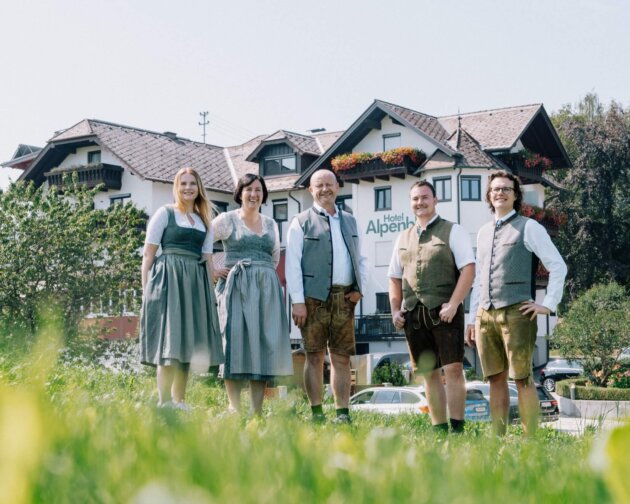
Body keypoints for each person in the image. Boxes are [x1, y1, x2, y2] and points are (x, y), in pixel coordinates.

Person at [466, 170, 567, 436]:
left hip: (518, 314)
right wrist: (472, 318)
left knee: (522, 379)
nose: (500, 193)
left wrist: (547, 304)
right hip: (485, 315)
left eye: (506, 189)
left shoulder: (529, 226)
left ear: (515, 195)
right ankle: (498, 438)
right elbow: (479, 278)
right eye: (495, 189)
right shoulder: (483, 232)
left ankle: (530, 441)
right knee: (495, 380)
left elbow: (558, 266)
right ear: (489, 195)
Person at [388, 180, 475, 433]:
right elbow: (394, 277)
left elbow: (468, 269)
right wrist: (395, 310)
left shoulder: (452, 230)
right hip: (413, 314)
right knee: (429, 374)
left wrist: (455, 303)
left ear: (435, 200)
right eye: (415, 199)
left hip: (445, 311)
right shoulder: (402, 237)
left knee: (454, 369)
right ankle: (439, 429)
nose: (420, 202)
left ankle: (457, 428)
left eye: (425, 197)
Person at [286, 169, 368, 424]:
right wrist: (298, 301)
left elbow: (361, 258)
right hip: (313, 299)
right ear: (311, 190)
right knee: (314, 356)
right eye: (319, 185)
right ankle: (316, 413)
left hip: (345, 298)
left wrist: (359, 289)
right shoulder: (300, 221)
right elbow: (292, 263)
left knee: (342, 357)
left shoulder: (351, 220)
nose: (325, 189)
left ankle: (342, 413)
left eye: (329, 184)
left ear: (338, 187)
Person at [139, 167, 224, 409]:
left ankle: (179, 401)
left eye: (192, 184)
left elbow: (207, 259)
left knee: (187, 341)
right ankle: (164, 401)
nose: (188, 188)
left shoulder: (203, 221)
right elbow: (148, 256)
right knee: (170, 342)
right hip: (169, 280)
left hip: (195, 283)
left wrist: (210, 293)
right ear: (176, 187)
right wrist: (147, 291)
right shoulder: (164, 214)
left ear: (199, 189)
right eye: (183, 183)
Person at [212, 174, 293, 416]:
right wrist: (213, 270)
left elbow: (275, 256)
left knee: (263, 345)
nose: (254, 194)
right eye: (248, 189)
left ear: (263, 195)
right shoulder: (226, 220)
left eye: (258, 190)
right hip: (236, 287)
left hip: (266, 290)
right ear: (239, 192)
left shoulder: (270, 224)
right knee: (233, 342)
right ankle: (234, 408)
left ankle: (256, 411)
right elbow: (203, 242)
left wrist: (265, 275)